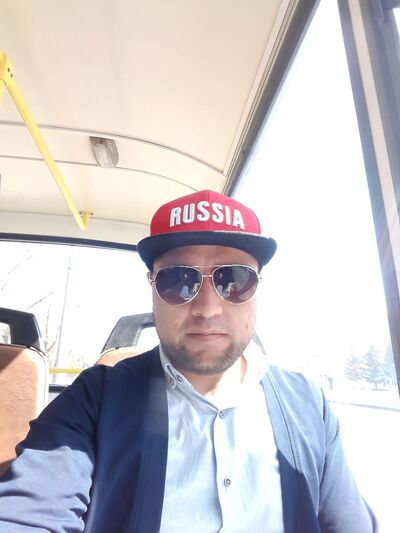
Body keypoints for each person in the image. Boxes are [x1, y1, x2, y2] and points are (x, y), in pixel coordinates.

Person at [0, 190, 377, 532]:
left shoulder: (308, 406)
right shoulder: (95, 399)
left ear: (258, 288)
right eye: (179, 279)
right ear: (152, 286)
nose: (207, 308)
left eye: (234, 279)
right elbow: (28, 513)